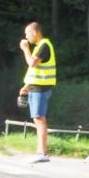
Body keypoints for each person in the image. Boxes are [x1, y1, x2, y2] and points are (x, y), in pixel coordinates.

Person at [17, 21, 56, 163]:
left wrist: (25, 49)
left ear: (35, 33)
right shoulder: (40, 46)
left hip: (41, 88)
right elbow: (35, 69)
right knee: (37, 118)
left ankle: (43, 153)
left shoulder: (44, 45)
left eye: (27, 34)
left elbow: (32, 63)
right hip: (35, 87)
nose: (26, 37)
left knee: (40, 119)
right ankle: (40, 152)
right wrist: (27, 86)